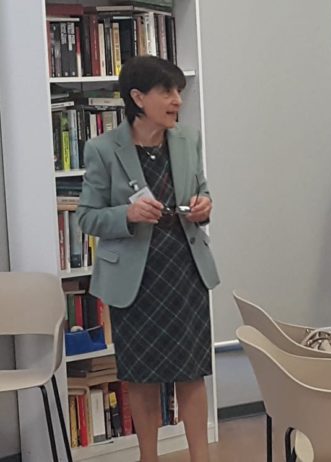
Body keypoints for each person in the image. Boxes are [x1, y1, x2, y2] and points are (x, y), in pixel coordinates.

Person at [77, 56, 219, 462]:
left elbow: (202, 191)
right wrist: (128, 213)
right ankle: (148, 457)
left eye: (179, 92)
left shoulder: (188, 139)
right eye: (167, 92)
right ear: (138, 98)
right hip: (136, 280)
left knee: (192, 372)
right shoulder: (103, 149)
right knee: (142, 376)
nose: (177, 100)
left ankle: (201, 458)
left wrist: (204, 206)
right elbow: (87, 216)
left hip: (184, 271)